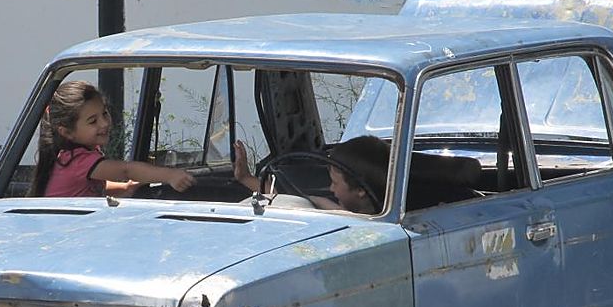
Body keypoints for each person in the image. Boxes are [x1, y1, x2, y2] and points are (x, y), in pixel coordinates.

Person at [28, 80, 195, 198]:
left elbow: (96, 186)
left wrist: (125, 188)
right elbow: (125, 170)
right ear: (67, 132)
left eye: (105, 113)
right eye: (93, 121)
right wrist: (169, 175)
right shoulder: (78, 160)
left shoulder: (76, 156)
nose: (104, 123)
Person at [233, 135, 387, 214]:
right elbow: (285, 198)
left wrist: (319, 202)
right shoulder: (334, 208)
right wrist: (245, 177)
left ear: (361, 190)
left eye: (335, 183)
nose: (331, 188)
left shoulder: (354, 220)